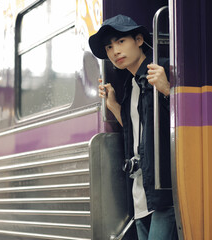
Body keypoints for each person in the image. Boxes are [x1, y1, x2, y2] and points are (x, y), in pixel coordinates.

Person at [89, 15, 178, 240]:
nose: (114, 51)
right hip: (140, 189)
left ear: (139, 40)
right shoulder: (130, 85)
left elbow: (189, 120)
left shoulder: (162, 69)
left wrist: (167, 88)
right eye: (109, 47)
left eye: (120, 42)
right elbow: (136, 131)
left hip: (162, 188)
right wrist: (114, 106)